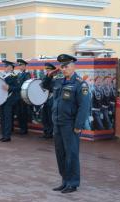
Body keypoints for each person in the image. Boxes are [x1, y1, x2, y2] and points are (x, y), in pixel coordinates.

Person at [42, 54, 90, 193]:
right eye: (62, 66)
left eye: (66, 66)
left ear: (73, 66)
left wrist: (78, 126)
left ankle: (73, 183)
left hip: (70, 125)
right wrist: (50, 75)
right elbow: (44, 86)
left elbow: (84, 107)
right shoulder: (58, 81)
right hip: (57, 123)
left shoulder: (80, 84)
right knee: (60, 153)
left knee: (72, 154)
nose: (63, 69)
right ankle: (65, 180)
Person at [0, 60, 20, 142]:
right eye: (5, 66)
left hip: (9, 100)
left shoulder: (14, 76)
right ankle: (3, 135)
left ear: (10, 68)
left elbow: (18, 88)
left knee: (7, 118)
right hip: (2, 99)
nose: (4, 68)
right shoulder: (4, 76)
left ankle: (7, 136)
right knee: (2, 118)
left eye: (6, 66)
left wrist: (9, 88)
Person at [40, 62, 57, 138]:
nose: (47, 71)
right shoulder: (46, 77)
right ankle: (46, 131)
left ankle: (50, 133)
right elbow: (43, 85)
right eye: (46, 69)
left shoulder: (55, 79)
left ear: (53, 70)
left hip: (51, 98)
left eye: (49, 70)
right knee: (44, 117)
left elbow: (51, 88)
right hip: (44, 99)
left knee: (50, 117)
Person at [15, 59, 31, 134]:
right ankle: (21, 127)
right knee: (19, 113)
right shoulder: (18, 74)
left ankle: (24, 129)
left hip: (23, 97)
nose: (20, 66)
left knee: (23, 113)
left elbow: (25, 85)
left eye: (21, 65)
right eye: (19, 65)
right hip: (18, 96)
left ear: (25, 66)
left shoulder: (27, 74)